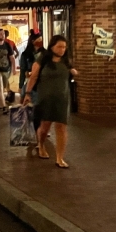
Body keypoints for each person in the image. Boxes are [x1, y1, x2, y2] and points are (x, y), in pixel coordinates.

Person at [23, 35, 77, 169]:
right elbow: (33, 77)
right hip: (45, 98)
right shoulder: (43, 59)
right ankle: (41, 145)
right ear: (52, 46)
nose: (62, 49)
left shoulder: (66, 61)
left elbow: (70, 73)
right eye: (59, 46)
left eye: (64, 47)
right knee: (45, 127)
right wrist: (27, 93)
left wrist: (73, 72)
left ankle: (60, 158)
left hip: (62, 98)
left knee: (61, 127)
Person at [19, 33, 44, 107]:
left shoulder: (45, 54)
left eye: (41, 40)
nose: (41, 42)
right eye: (39, 40)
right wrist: (20, 85)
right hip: (30, 82)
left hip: (42, 83)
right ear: (33, 41)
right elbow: (23, 70)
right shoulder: (25, 54)